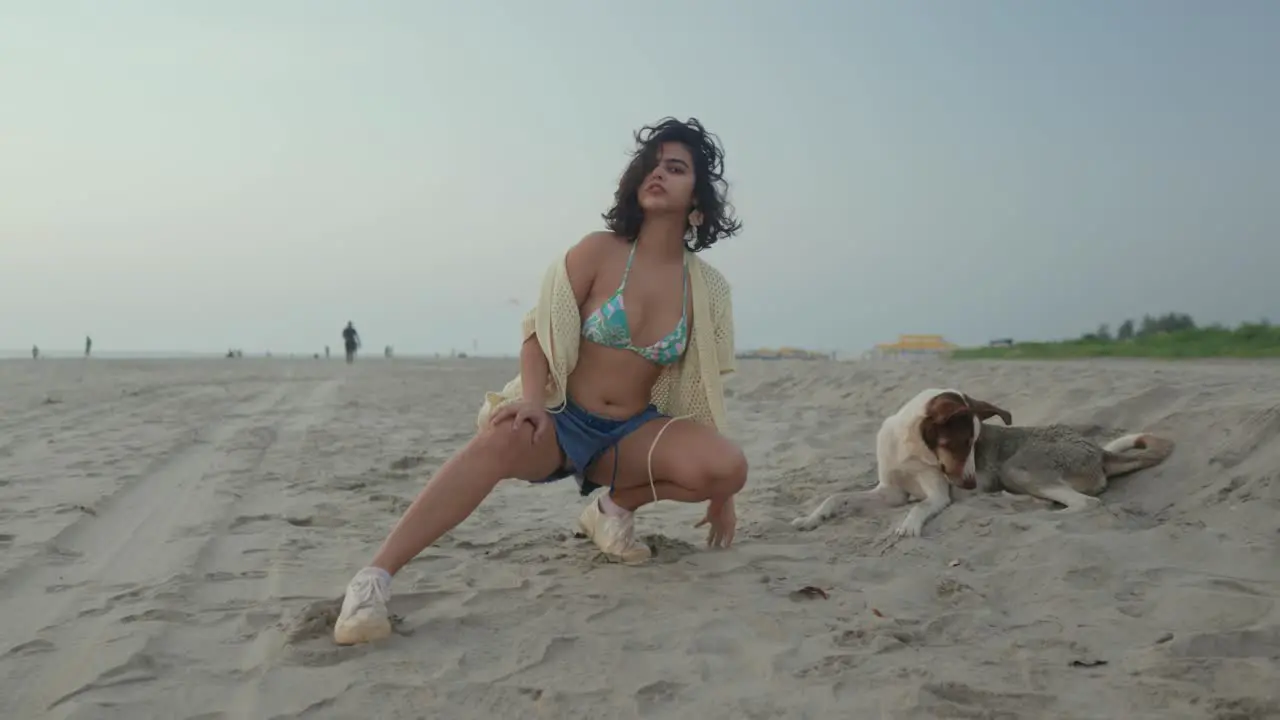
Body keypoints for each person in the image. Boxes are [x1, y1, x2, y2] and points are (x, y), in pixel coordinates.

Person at [332, 117, 748, 646]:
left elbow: (701, 388)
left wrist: (723, 493)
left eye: (676, 167)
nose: (658, 173)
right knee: (497, 440)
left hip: (632, 435)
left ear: (699, 200)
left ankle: (612, 508)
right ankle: (373, 580)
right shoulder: (600, 251)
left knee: (729, 466)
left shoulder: (707, 288)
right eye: (652, 164)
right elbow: (539, 333)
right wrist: (531, 400)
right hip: (562, 417)